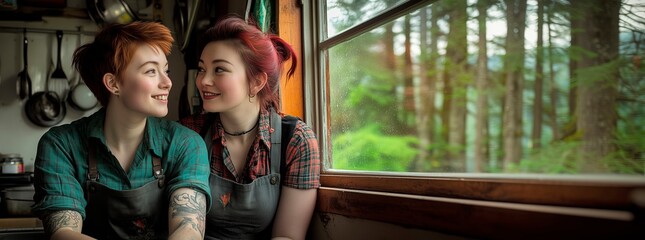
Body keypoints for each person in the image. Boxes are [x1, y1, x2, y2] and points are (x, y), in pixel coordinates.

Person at [32, 21, 211, 240]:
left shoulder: (185, 143)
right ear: (113, 83)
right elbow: (64, 234)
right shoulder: (61, 145)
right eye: (151, 71)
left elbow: (189, 229)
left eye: (166, 70)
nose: (167, 83)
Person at [179, 16, 320, 239]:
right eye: (202, 69)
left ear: (256, 82)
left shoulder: (295, 140)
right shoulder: (188, 134)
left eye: (219, 70)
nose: (203, 81)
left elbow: (288, 236)